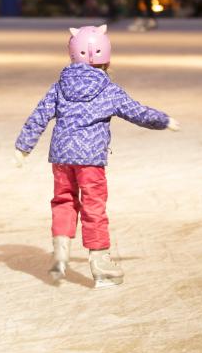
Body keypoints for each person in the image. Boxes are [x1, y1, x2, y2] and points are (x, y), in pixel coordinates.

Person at [13, 25, 180, 288]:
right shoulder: (109, 90)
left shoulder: (59, 87)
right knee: (93, 208)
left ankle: (61, 249)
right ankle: (101, 265)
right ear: (107, 57)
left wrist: (23, 146)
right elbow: (138, 112)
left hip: (62, 157)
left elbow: (39, 116)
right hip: (90, 161)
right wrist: (163, 121)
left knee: (63, 201)